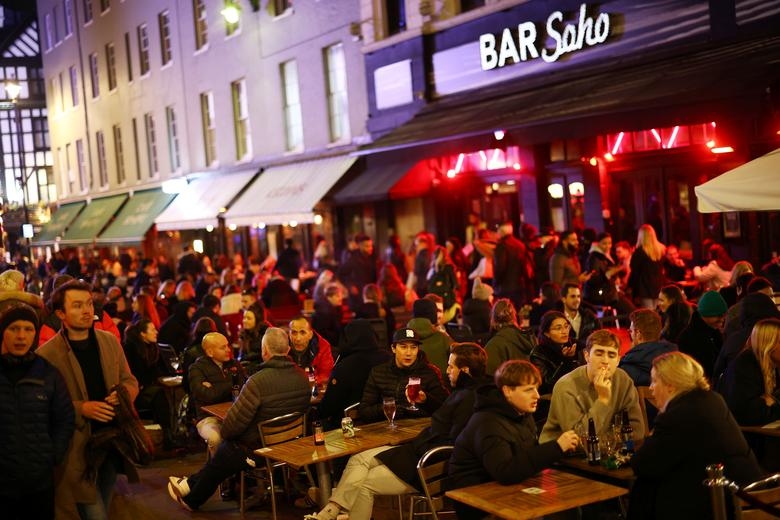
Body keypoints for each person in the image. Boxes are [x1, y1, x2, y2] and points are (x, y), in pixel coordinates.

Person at [305, 343, 490, 520]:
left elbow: (452, 439)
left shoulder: (465, 396)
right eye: (404, 347)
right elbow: (366, 409)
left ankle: (331, 513)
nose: (447, 370)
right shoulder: (471, 392)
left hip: (428, 461)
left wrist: (425, 412)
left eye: (451, 366)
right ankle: (330, 511)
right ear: (394, 349)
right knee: (358, 459)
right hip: (417, 448)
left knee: (364, 484)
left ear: (465, 370)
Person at [168, 327, 310, 511]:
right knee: (228, 450)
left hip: (263, 450)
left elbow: (231, 427)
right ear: (288, 350)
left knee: (227, 448)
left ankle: (191, 498)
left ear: (264, 350)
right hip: (292, 443)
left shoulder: (258, 382)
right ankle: (188, 486)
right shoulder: (303, 377)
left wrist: (231, 433)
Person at [36, 279, 140, 520]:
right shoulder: (47, 354)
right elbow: (42, 403)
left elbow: (130, 380)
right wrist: (82, 408)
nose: (86, 311)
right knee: (94, 512)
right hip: (77, 449)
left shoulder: (109, 341)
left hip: (112, 442)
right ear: (61, 313)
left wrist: (123, 395)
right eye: (77, 305)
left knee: (103, 501)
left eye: (90, 304)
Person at [628, 352, 762, 519]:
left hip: (720, 503)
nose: (651, 388)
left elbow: (642, 464)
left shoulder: (679, 413)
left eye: (655, 381)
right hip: (746, 494)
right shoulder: (712, 399)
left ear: (670, 384)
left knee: (645, 488)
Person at [448, 360, 580, 520]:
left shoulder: (521, 413)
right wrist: (556, 447)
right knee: (557, 512)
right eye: (528, 390)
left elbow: (524, 456)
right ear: (508, 391)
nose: (537, 395)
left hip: (509, 490)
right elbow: (506, 472)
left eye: (536, 389)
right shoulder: (487, 423)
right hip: (478, 504)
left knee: (569, 507)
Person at [0, 302, 75, 520]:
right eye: (14, 329)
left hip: (38, 482)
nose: (21, 336)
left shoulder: (48, 373)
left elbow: (64, 418)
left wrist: (52, 455)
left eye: (28, 329)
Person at [541, 329, 644, 442]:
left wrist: (606, 443)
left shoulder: (623, 380)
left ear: (618, 360)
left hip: (610, 451)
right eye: (599, 354)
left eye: (611, 355)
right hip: (565, 455)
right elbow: (579, 439)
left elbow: (637, 430)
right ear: (587, 356)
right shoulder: (566, 386)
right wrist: (603, 400)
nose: (605, 361)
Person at [721, 318, 780, 470]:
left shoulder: (774, 365)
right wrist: (771, 403)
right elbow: (748, 414)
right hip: (746, 442)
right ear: (769, 344)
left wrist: (771, 401)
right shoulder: (744, 367)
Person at [358, 327, 449, 423]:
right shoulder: (378, 372)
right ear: (393, 348)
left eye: (413, 347)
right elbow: (364, 411)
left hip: (419, 429)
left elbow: (444, 408)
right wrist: (388, 408)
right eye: (403, 347)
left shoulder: (428, 373)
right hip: (386, 429)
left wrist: (426, 400)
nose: (409, 353)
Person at [316, 319, 392, 430]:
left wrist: (315, 413)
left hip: (348, 426)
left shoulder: (344, 366)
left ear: (348, 338)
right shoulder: (388, 358)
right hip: (384, 419)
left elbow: (328, 407)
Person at [189, 333, 247, 459]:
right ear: (210, 352)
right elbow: (208, 396)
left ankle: (242, 472)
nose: (228, 350)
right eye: (223, 347)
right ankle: (220, 473)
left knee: (251, 434)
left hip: (234, 415)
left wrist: (216, 386)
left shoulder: (234, 364)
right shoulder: (197, 369)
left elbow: (244, 388)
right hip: (208, 417)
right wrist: (232, 383)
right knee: (215, 438)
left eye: (228, 346)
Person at [123, 319, 176, 450]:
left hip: (150, 389)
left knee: (162, 393)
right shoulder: (130, 349)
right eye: (152, 330)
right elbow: (137, 375)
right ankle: (168, 435)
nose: (156, 332)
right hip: (136, 392)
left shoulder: (153, 348)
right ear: (143, 334)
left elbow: (162, 370)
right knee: (159, 394)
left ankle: (168, 434)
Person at [618, 309, 678, 386]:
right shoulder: (676, 360)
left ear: (638, 334)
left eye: (630, 331)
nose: (630, 335)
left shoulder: (624, 370)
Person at [677, 290, 727, 381]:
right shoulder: (689, 337)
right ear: (704, 314)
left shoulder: (714, 332)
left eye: (724, 315)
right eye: (718, 316)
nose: (722, 320)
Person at [530, 311, 581, 395]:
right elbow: (546, 386)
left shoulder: (575, 345)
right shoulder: (539, 353)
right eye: (558, 328)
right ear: (547, 333)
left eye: (566, 326)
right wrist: (565, 360)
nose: (564, 331)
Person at [484, 298, 535, 374]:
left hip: (508, 385)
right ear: (514, 316)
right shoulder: (529, 339)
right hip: (530, 383)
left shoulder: (494, 345)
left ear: (493, 318)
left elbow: (488, 374)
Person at [408, 298, 453, 378]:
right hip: (440, 386)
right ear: (433, 315)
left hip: (411, 386)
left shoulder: (401, 338)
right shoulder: (444, 339)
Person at [492, 222, 531, 309]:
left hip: (504, 288)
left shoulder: (502, 246)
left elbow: (500, 268)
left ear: (501, 232)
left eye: (497, 231)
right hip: (519, 286)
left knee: (506, 313)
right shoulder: (520, 245)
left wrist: (495, 283)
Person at [288, 315, 334, 386]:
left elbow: (326, 375)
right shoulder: (282, 345)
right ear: (289, 334)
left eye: (302, 332)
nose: (298, 338)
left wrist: (305, 383)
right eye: (294, 332)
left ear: (310, 334)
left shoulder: (323, 346)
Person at [628, 224, 666, 309]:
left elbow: (634, 271)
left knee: (648, 314)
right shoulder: (661, 250)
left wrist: (630, 286)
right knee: (658, 313)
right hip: (658, 285)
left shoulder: (639, 252)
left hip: (644, 287)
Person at [558, 282, 600, 351]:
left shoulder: (589, 316)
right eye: (573, 296)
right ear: (564, 299)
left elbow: (599, 336)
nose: (577, 300)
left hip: (588, 356)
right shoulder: (557, 319)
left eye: (578, 296)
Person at [237, 301, 272, 375]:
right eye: (244, 318)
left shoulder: (265, 335)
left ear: (257, 320)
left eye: (249, 318)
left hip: (260, 372)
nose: (244, 321)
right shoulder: (244, 334)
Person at [426, 245, 460, 312]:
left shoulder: (435, 270)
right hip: (443, 300)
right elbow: (456, 285)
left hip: (440, 301)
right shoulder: (434, 269)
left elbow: (455, 284)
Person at [312, 283, 344, 349]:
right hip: (327, 346)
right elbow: (324, 333)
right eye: (337, 296)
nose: (341, 298)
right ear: (329, 297)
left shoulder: (334, 309)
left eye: (341, 295)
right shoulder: (324, 312)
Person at [462, 276, 493, 343]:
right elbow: (490, 327)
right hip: (480, 339)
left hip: (468, 338)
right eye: (490, 294)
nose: (492, 297)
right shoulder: (484, 308)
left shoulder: (467, 304)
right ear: (485, 296)